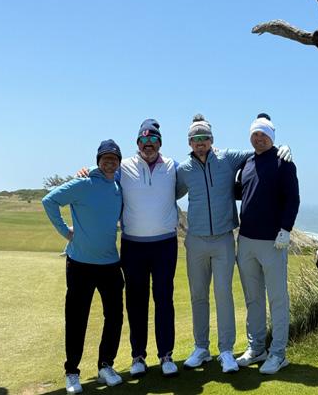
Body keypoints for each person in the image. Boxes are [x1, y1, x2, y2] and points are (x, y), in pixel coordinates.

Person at [176, 114, 292, 374]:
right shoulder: (183, 170)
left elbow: (261, 151)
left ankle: (226, 351)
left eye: (204, 137)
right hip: (197, 240)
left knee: (224, 295)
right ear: (189, 142)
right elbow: (166, 191)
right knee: (199, 296)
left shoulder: (228, 158)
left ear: (212, 139)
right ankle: (201, 348)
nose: (200, 142)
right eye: (195, 138)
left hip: (224, 239)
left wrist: (282, 147)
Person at [78, 119, 179, 378]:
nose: (148, 145)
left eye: (153, 140)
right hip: (133, 246)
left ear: (160, 143)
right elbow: (103, 174)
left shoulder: (172, 167)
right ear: (138, 143)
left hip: (165, 245)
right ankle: (138, 356)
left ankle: (166, 355)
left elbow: (195, 173)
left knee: (164, 299)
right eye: (144, 141)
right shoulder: (124, 167)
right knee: (136, 302)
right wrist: (85, 171)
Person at [42, 139, 125, 394]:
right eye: (105, 158)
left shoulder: (118, 186)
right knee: (77, 319)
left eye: (114, 158)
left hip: (110, 263)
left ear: (118, 163)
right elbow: (49, 201)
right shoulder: (83, 183)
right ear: (98, 161)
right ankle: (72, 372)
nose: (110, 162)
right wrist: (65, 232)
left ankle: (105, 366)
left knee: (115, 317)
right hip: (80, 264)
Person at [235, 114, 300, 374]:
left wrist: (286, 229)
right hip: (246, 241)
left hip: (273, 242)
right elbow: (241, 192)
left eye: (264, 134)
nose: (259, 138)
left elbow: (293, 198)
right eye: (255, 134)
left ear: (272, 137)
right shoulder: (247, 162)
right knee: (253, 299)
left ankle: (278, 354)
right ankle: (257, 348)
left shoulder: (284, 162)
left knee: (277, 299)